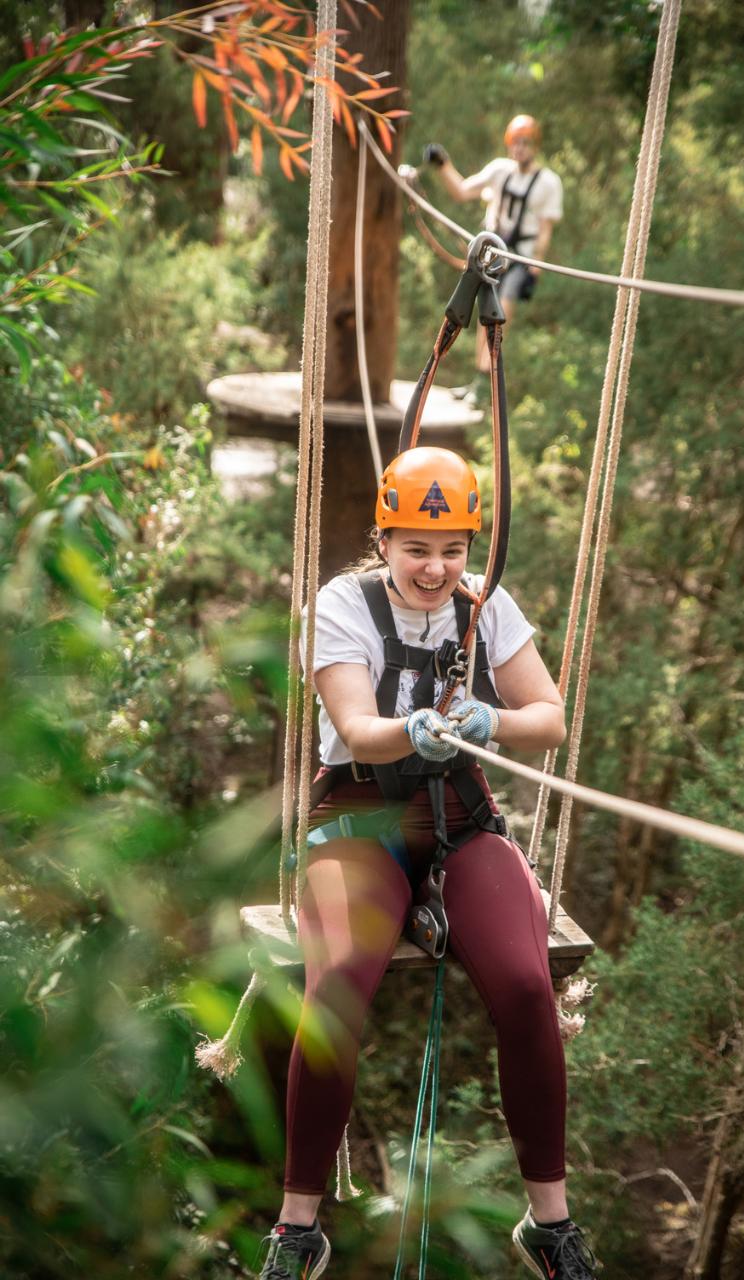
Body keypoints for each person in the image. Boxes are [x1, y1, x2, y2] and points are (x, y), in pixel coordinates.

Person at [257, 447, 596, 1280]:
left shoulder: (486, 606)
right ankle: (298, 1224)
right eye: (416, 549)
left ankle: (547, 1222)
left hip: (462, 819)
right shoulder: (343, 604)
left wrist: (490, 722)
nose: (437, 569)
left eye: (452, 551)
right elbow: (356, 725)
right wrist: (412, 729)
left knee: (525, 984)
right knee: (337, 984)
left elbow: (547, 718)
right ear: (383, 539)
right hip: (360, 821)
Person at [423, 115, 563, 382]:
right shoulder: (500, 170)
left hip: (519, 257)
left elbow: (545, 229)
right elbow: (463, 191)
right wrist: (443, 164)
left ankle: (487, 377)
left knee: (501, 311)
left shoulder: (548, 182)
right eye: (515, 143)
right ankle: (479, 377)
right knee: (483, 311)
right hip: (492, 255)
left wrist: (537, 265)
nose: (519, 148)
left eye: (525, 143)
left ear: (535, 146)